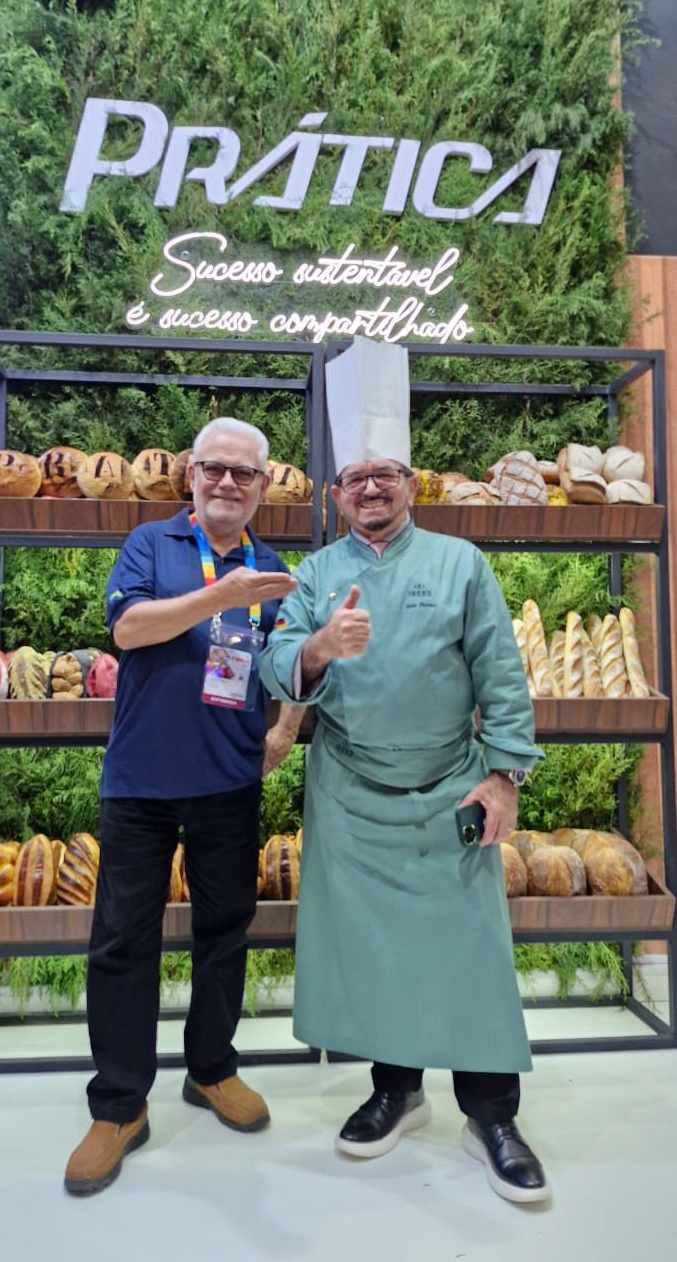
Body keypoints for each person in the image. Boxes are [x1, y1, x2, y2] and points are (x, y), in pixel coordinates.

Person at [260, 337, 550, 1204]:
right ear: (338, 493)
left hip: (448, 787)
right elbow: (276, 666)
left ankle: (492, 1112)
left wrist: (503, 779)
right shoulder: (314, 574)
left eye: (387, 473)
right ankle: (395, 1091)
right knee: (378, 955)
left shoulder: (460, 563)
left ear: (410, 485)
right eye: (357, 477)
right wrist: (317, 645)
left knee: (469, 955)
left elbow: (501, 676)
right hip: (350, 793)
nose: (373, 488)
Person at [65, 417, 302, 1196]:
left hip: (228, 781)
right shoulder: (151, 544)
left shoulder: (273, 568)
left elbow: (284, 664)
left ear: (264, 486)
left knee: (225, 934)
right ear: (192, 477)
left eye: (244, 473)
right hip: (138, 779)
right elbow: (130, 629)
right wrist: (219, 595)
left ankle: (211, 1070)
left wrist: (284, 726)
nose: (228, 482)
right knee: (122, 941)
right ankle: (120, 1105)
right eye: (215, 469)